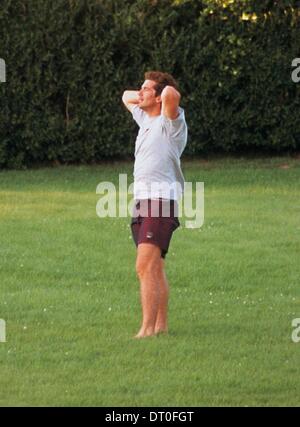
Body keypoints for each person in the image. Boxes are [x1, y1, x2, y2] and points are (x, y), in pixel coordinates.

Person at [122, 71, 187, 338]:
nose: (141, 92)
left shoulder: (170, 123)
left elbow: (173, 95)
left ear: (159, 97)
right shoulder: (144, 119)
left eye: (147, 89)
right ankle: (160, 326)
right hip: (141, 200)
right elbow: (125, 96)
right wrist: (144, 94)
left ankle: (146, 330)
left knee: (144, 265)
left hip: (161, 200)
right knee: (155, 266)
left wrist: (161, 92)